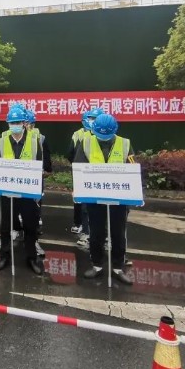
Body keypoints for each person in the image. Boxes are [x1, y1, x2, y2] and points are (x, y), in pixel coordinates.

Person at [75, 113, 136, 285]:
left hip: (118, 197)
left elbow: (132, 170)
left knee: (118, 233)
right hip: (95, 196)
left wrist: (134, 194)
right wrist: (78, 189)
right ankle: (97, 265)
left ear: (114, 130)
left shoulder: (125, 144)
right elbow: (78, 168)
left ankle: (118, 267)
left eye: (107, 135)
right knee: (96, 232)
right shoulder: (86, 142)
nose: (103, 138)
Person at [0, 106, 44, 275]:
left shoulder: (34, 141)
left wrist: (38, 192)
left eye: (17, 122)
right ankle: (4, 256)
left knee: (30, 226)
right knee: (6, 226)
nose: (15, 125)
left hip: (28, 192)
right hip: (8, 191)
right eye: (12, 122)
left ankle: (31, 258)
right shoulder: (1, 141)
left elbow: (39, 167)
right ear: (8, 123)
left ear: (24, 123)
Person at [68, 108, 102, 247]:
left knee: (103, 210)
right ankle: (87, 234)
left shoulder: (116, 141)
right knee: (86, 207)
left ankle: (103, 236)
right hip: (86, 178)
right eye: (90, 118)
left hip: (104, 182)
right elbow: (74, 158)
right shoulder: (84, 139)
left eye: (95, 118)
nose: (92, 121)